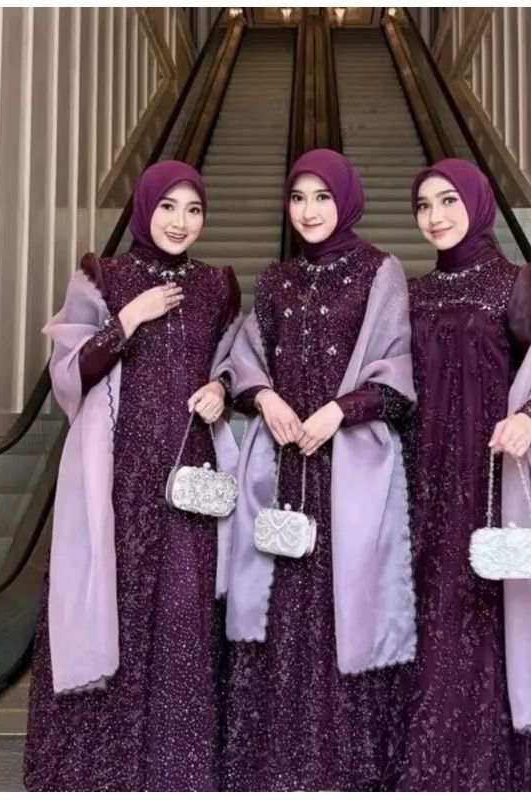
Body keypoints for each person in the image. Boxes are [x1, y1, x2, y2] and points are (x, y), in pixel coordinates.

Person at [23, 160, 241, 791]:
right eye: (168, 207)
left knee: (183, 612)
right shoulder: (104, 275)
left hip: (186, 476)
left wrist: (221, 389)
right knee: (111, 603)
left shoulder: (218, 285)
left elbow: (235, 363)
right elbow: (69, 377)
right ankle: (99, 771)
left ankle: (178, 771)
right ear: (146, 208)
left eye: (193, 210)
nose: (180, 222)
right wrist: (129, 318)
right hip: (115, 478)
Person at [219, 149, 416, 791]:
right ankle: (273, 768)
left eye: (322, 197)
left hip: (348, 468)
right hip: (283, 465)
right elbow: (244, 359)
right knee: (277, 606)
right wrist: (265, 398)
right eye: (298, 197)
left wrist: (339, 410)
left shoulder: (380, 272)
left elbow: (399, 373)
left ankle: (344, 771)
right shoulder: (275, 279)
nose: (308, 211)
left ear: (346, 199)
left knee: (344, 607)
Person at [395, 157, 531, 791]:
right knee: (429, 621)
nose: (435, 216)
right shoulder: (412, 294)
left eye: (448, 200)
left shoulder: (516, 283)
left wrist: (530, 417)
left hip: (489, 481)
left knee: (487, 620)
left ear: (476, 203)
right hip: (420, 484)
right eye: (424, 205)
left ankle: (490, 775)